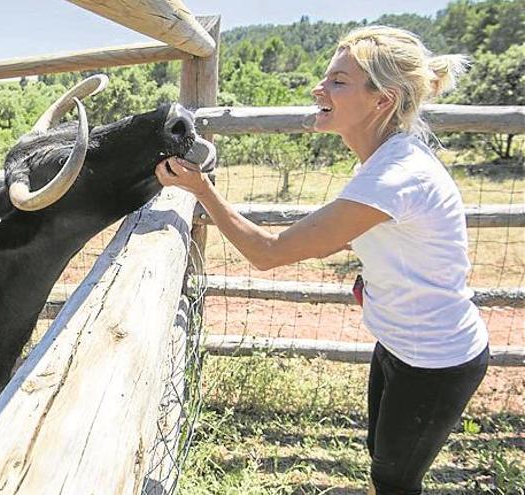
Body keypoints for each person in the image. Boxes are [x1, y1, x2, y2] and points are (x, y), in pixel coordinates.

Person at [156, 26, 489, 495]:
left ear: (382, 100)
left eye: (338, 81)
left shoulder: (394, 177)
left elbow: (267, 253)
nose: (319, 88)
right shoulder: (385, 162)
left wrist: (201, 189)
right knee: (382, 455)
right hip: (400, 342)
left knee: (395, 477)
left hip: (435, 359)